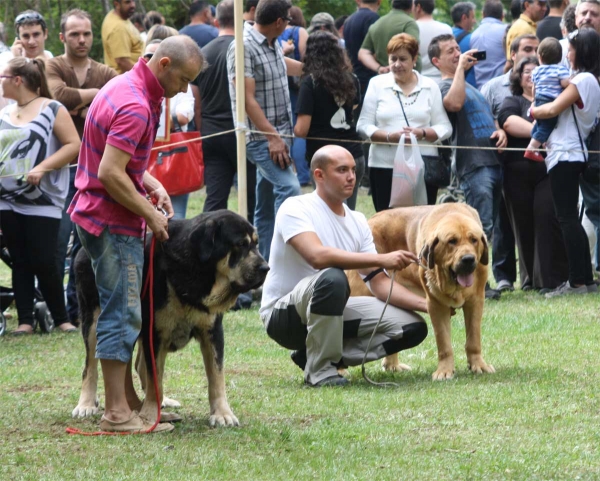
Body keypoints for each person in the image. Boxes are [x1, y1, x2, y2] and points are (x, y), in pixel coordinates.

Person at [68, 36, 204, 433]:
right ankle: (116, 415)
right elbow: (110, 173)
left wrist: (150, 183)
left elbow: (115, 159)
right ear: (163, 64)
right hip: (112, 222)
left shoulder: (125, 86)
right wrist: (152, 214)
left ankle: (127, 401)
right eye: (182, 79)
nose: (183, 89)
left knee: (122, 311)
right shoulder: (135, 105)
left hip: (97, 215)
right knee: (122, 315)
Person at [259, 144, 428, 387]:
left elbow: (379, 284)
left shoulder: (357, 221)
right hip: (284, 317)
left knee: (412, 326)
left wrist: (428, 305)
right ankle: (321, 372)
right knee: (333, 278)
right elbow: (317, 256)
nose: (351, 176)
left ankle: (313, 356)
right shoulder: (295, 208)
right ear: (319, 175)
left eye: (352, 169)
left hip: (330, 308)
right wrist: (383, 259)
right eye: (341, 170)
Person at [46, 9, 118, 326]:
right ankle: (65, 311)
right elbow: (58, 96)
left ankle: (85, 310)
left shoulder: (104, 70)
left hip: (98, 170)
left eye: (87, 33)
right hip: (61, 170)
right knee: (60, 242)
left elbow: (118, 97)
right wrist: (95, 98)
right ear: (62, 37)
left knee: (90, 243)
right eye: (74, 34)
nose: (82, 39)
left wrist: (83, 102)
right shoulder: (53, 65)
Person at [0, 57, 80, 335]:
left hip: (43, 200)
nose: (1, 82)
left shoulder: (52, 108)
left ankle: (61, 319)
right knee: (19, 259)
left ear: (17, 80)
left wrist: (43, 167)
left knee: (43, 259)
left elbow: (74, 145)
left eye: (3, 77)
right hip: (7, 199)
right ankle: (25, 321)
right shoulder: (5, 112)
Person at [429, 33, 507, 300]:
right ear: (436, 60)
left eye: (457, 49)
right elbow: (453, 104)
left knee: (489, 229)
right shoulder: (441, 87)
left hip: (493, 161)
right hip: (472, 165)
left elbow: (490, 117)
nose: (457, 53)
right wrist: (460, 69)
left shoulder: (472, 87)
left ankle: (481, 281)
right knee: (478, 228)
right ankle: (478, 287)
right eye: (450, 51)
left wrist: (500, 132)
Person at [226, 0, 302, 262]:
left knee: (266, 204)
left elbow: (282, 65)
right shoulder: (243, 46)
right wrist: (272, 137)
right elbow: (246, 100)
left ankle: (262, 264)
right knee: (290, 188)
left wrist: (316, 69)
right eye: (288, 21)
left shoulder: (272, 42)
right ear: (279, 22)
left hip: (280, 136)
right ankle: (283, 257)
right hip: (262, 138)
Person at [531, 28, 600, 298]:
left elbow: (550, 109)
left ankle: (576, 282)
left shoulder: (582, 79)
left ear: (581, 51)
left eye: (570, 49)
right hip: (575, 153)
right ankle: (585, 279)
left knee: (567, 218)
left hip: (566, 152)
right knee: (571, 217)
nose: (566, 54)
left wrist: (533, 109)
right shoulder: (590, 80)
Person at [497, 56, 568, 292]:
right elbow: (508, 123)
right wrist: (541, 133)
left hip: (548, 171)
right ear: (519, 76)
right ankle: (528, 280)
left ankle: (550, 279)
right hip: (517, 173)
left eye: (536, 71)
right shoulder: (513, 100)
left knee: (547, 219)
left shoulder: (556, 100)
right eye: (527, 71)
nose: (531, 75)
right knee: (523, 224)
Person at [357, 33, 452, 211]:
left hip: (423, 166)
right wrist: (388, 137)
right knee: (387, 222)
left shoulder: (430, 86)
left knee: (421, 220)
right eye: (393, 59)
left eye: (403, 59)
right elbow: (363, 125)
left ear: (414, 59)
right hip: (384, 165)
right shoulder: (376, 84)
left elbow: (445, 127)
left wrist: (422, 133)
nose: (397, 64)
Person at [480, 33, 539, 293]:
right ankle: (503, 275)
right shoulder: (495, 86)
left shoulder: (544, 82)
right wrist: (500, 128)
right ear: (512, 55)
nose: (533, 53)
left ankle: (534, 273)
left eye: (536, 49)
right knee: (504, 221)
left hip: (536, 165)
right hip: (504, 161)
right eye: (527, 49)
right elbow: (487, 117)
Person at [193, 0, 256, 223]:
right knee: (252, 198)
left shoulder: (202, 55)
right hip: (243, 132)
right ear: (241, 18)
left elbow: (196, 103)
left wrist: (203, 131)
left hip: (212, 133)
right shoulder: (245, 50)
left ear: (216, 20)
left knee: (215, 198)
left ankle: (206, 242)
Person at [294, 31, 365, 210]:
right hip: (353, 155)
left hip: (325, 160)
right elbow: (353, 109)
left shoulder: (310, 82)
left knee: (327, 216)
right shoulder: (352, 79)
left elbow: (301, 130)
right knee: (348, 215)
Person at [145, 38, 195, 220]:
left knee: (176, 215)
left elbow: (184, 114)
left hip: (172, 154)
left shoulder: (179, 87)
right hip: (147, 158)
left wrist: (162, 120)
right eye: (148, 56)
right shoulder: (135, 96)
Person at [524, 37, 570, 161]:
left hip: (539, 99)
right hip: (550, 101)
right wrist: (573, 82)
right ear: (560, 57)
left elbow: (534, 87)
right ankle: (532, 148)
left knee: (540, 124)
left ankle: (536, 140)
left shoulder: (537, 70)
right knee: (548, 124)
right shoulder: (560, 69)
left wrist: (533, 100)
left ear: (540, 56)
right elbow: (565, 83)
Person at [278, 6, 310, 186]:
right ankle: (303, 174)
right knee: (299, 130)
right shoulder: (300, 32)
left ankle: (287, 169)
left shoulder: (273, 34)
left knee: (284, 126)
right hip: (298, 87)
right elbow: (307, 60)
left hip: (280, 87)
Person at [358, 0, 421, 76]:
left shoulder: (376, 24)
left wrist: (379, 68)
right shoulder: (409, 23)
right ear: (412, 6)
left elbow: (363, 53)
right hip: (407, 78)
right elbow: (414, 48)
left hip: (384, 77)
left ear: (392, 4)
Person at [470, 0, 507, 89]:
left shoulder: (474, 35)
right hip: (502, 89)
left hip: (481, 90)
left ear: (483, 14)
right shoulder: (506, 31)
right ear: (502, 16)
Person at [413, 0, 452, 84]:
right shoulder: (446, 28)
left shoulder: (412, 29)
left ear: (418, 7)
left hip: (419, 80)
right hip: (443, 80)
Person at [101, 0, 143, 74]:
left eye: (133, 1)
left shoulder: (118, 17)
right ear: (116, 4)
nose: (132, 5)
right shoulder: (118, 28)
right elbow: (122, 62)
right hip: (127, 79)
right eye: (127, 2)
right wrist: (143, 75)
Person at [451, 2, 478, 87]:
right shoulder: (472, 38)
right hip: (468, 85)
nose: (474, 21)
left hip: (450, 84)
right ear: (464, 17)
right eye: (472, 17)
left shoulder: (447, 36)